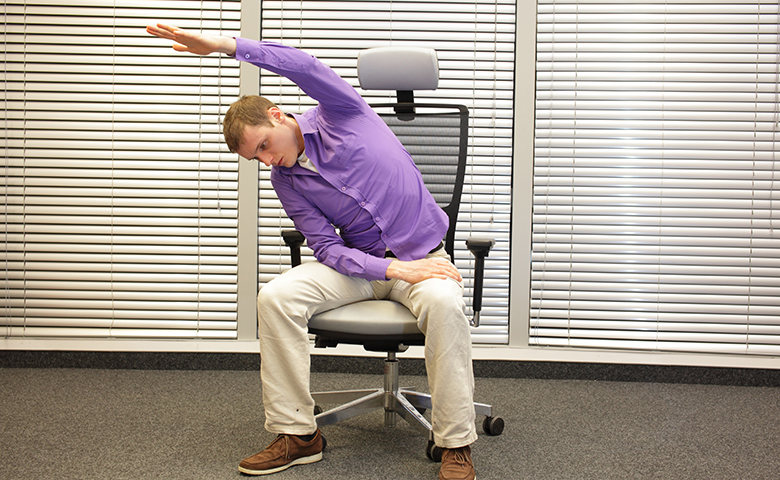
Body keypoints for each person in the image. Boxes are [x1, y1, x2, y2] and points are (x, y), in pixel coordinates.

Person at [146, 23, 478, 480]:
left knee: (444, 304)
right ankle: (299, 434)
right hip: (366, 266)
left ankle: (454, 442)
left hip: (423, 257)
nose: (266, 160)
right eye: (254, 159)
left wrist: (223, 45)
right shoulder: (285, 179)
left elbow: (301, 64)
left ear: (278, 116)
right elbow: (324, 246)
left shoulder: (343, 112)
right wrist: (388, 267)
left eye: (264, 145)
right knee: (275, 297)